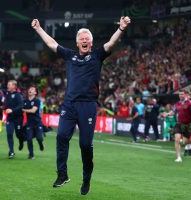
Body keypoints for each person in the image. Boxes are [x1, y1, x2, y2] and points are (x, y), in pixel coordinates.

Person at [31, 16, 131, 195]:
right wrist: (38, 29)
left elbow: (110, 44)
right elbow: (52, 44)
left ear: (91, 43)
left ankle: (86, 179)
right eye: (81, 39)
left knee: (85, 145)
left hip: (88, 105)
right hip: (69, 104)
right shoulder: (70, 56)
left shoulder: (97, 55)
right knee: (61, 136)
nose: (84, 41)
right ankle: (62, 174)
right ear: (77, 43)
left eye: (87, 39)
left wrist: (121, 28)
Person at [167, 90, 191, 162]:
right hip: (179, 124)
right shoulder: (177, 104)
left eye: (182, 94)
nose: (180, 95)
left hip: (187, 124)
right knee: (177, 139)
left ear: (185, 95)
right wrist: (167, 114)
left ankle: (189, 145)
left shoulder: (190, 103)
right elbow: (173, 112)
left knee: (185, 142)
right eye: (179, 94)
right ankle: (178, 157)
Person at [22, 86, 45, 159]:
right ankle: (31, 154)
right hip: (29, 123)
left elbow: (33, 110)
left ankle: (41, 143)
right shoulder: (25, 101)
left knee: (39, 138)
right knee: (29, 138)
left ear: (35, 92)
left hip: (37, 122)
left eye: (32, 89)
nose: (30, 90)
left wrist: (23, 110)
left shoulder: (37, 101)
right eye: (29, 89)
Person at [5, 80, 24, 159]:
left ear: (14, 86)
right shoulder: (7, 94)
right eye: (7, 84)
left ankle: (21, 141)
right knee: (9, 134)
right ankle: (11, 151)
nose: (7, 86)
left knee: (18, 134)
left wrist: (12, 110)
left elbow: (21, 106)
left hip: (18, 118)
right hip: (10, 118)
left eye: (9, 84)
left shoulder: (18, 95)